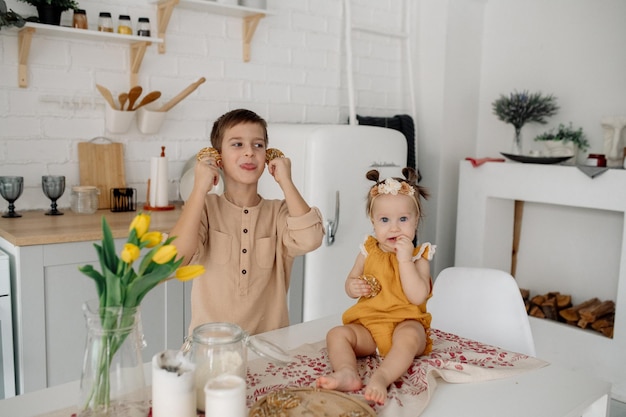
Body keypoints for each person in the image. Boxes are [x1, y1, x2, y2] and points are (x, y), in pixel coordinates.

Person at [170, 108, 324, 336]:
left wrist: (286, 182)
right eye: (237, 144)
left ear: (268, 156)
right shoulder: (206, 209)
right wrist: (199, 188)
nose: (250, 152)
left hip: (270, 347)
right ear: (218, 157)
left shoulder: (279, 212)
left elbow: (311, 239)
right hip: (211, 350)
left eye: (258, 145)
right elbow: (176, 259)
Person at [316, 167, 434, 405]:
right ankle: (347, 373)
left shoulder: (419, 255)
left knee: (410, 337)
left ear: (416, 220)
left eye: (403, 219)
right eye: (384, 220)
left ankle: (381, 377)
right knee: (337, 334)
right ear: (373, 221)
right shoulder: (367, 250)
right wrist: (354, 286)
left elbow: (417, 296)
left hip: (405, 323)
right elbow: (350, 283)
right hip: (369, 328)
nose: (394, 227)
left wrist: (404, 260)